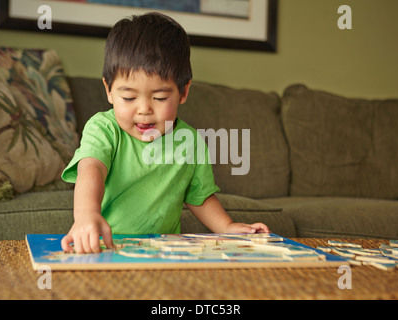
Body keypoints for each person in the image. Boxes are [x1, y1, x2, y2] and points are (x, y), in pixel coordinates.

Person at [61, 12, 269, 253]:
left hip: (164, 251)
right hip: (105, 247)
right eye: (128, 97)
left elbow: (198, 196)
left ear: (183, 91)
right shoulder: (103, 128)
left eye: (159, 97)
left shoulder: (189, 141)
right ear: (108, 90)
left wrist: (227, 226)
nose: (144, 110)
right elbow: (91, 169)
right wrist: (86, 216)